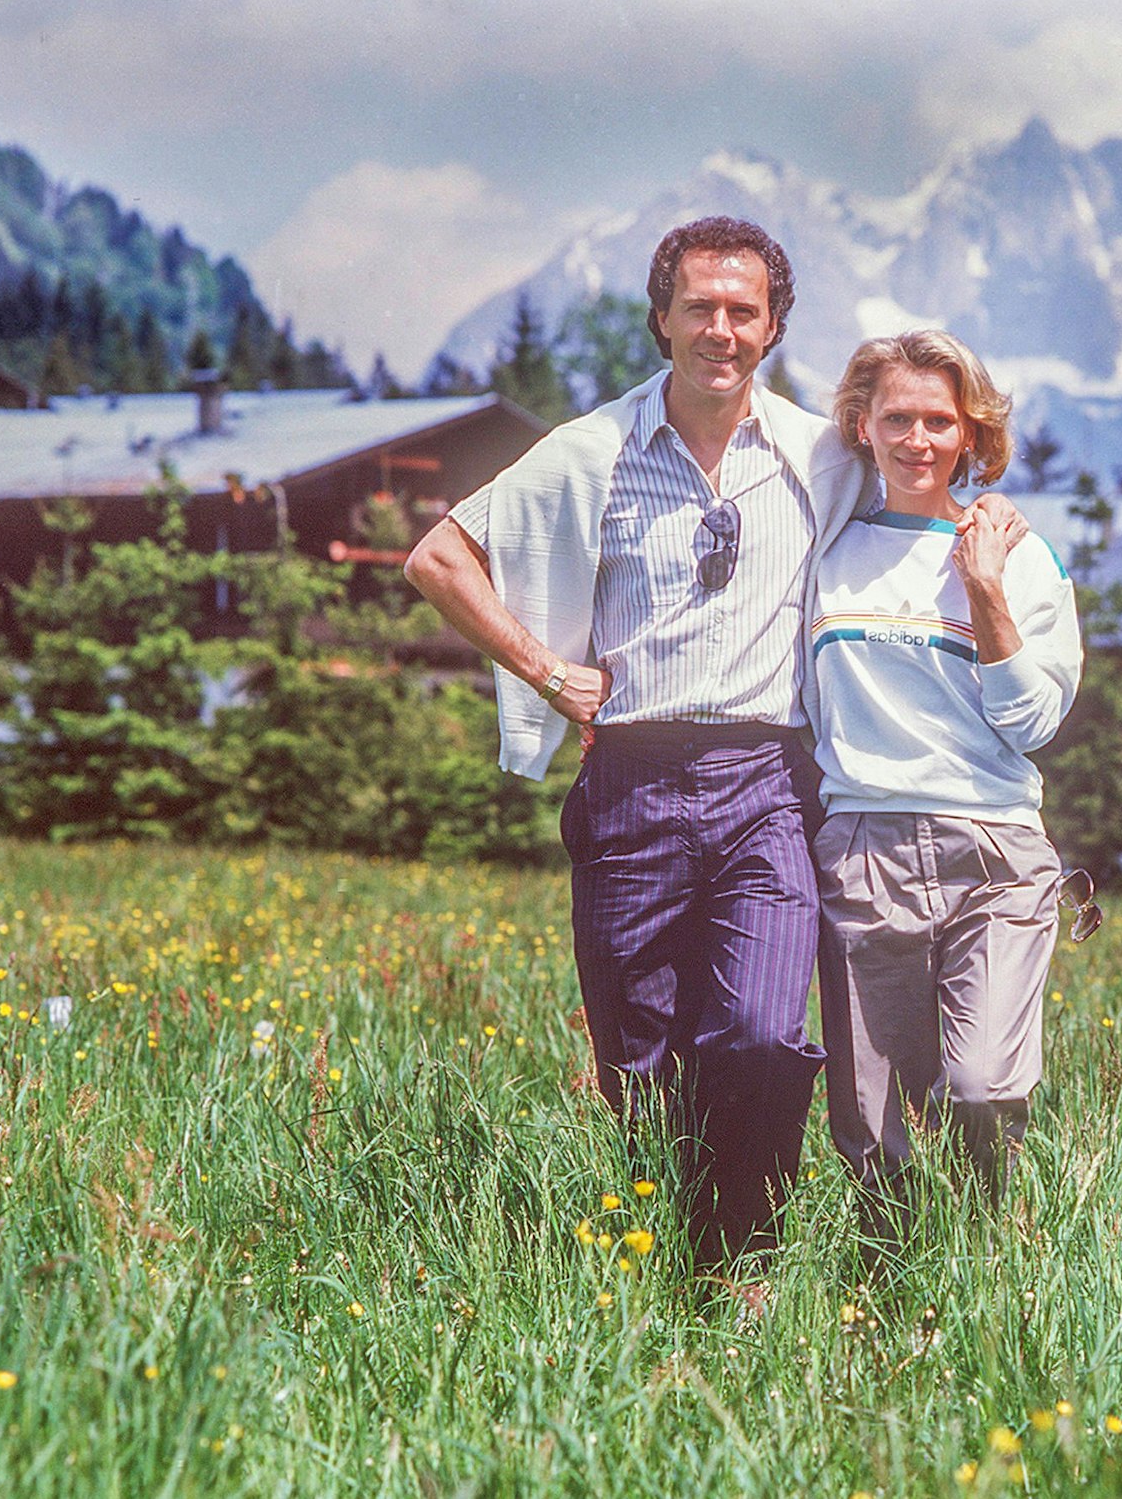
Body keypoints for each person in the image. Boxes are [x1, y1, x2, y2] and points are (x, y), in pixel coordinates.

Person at [402, 219, 1019, 1271]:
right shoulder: (590, 449)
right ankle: (680, 1259)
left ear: (773, 327)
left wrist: (985, 533)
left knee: (765, 1037)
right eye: (700, 308)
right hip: (628, 779)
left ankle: (748, 1269)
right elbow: (437, 558)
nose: (720, 331)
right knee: (640, 1063)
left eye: (743, 311)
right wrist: (550, 675)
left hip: (769, 784)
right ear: (662, 320)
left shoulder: (818, 455)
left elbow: (918, 464)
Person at [808, 329, 1083, 1233]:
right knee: (871, 1121)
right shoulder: (823, 555)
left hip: (994, 848)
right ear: (860, 426)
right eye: (898, 418)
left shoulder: (1020, 559)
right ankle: (895, 1288)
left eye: (939, 420)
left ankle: (994, 1257)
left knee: (982, 1086)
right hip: (861, 847)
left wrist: (986, 590)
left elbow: (1034, 722)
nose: (917, 439)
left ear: (971, 435)